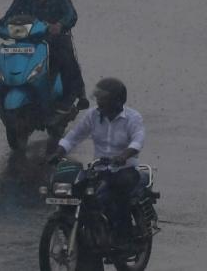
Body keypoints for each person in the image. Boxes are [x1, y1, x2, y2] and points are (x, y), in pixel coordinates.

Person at [48, 77, 145, 248]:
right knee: (76, 190)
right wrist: (58, 152)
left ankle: (124, 237)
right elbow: (74, 136)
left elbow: (138, 141)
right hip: (100, 168)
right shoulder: (92, 115)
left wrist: (124, 155)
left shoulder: (132, 118)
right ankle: (84, 230)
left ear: (116, 101)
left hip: (125, 170)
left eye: (103, 98)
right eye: (98, 97)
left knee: (118, 193)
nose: (99, 101)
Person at [0, 0, 88, 113]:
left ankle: (70, 95)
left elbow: (70, 14)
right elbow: (10, 14)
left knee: (64, 57)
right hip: (28, 38)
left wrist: (60, 25)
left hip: (53, 39)